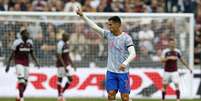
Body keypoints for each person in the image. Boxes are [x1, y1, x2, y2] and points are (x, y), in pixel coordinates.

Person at [76, 8, 136, 101]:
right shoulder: (109, 35)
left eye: (111, 25)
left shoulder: (126, 38)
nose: (109, 27)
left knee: (124, 97)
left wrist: (125, 63)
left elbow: (133, 53)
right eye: (108, 25)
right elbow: (94, 27)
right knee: (111, 94)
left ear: (118, 24)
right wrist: (83, 16)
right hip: (111, 72)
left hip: (123, 73)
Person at [5, 29, 40, 101]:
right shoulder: (17, 42)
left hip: (26, 63)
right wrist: (8, 64)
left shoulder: (30, 42)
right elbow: (12, 54)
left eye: (28, 33)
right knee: (21, 81)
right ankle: (21, 98)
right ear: (22, 35)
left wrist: (36, 62)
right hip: (18, 62)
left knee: (25, 83)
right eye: (26, 34)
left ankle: (19, 96)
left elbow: (32, 53)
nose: (28, 35)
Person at [56, 33, 75, 101]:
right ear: (63, 37)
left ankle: (61, 94)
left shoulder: (67, 43)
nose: (68, 37)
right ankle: (59, 96)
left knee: (70, 79)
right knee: (60, 79)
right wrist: (64, 66)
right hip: (61, 65)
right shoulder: (60, 44)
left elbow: (67, 54)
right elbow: (59, 55)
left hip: (66, 64)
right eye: (67, 36)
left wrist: (72, 63)